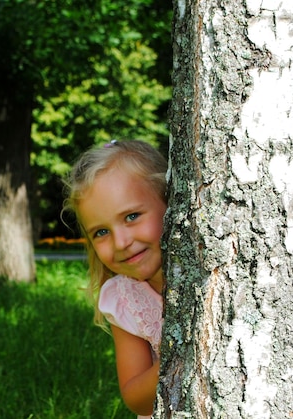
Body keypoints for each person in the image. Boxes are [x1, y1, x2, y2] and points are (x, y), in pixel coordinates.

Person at [63, 140, 168, 418]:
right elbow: (136, 398)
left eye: (132, 216)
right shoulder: (124, 298)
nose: (121, 242)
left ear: (170, 201)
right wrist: (182, 356)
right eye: (101, 232)